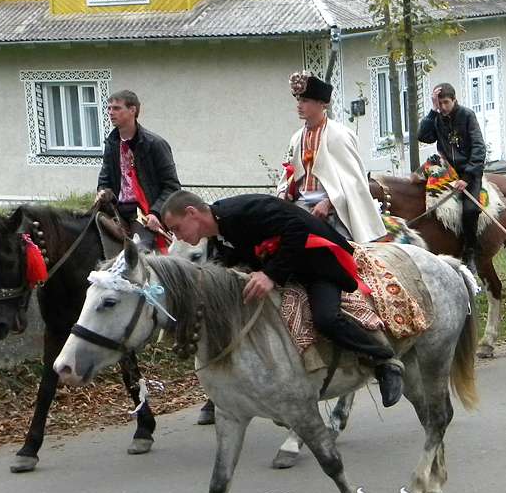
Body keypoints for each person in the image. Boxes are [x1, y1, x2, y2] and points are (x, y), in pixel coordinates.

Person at [161, 190, 404, 407]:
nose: (178, 237)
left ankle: (384, 360)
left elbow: (298, 229)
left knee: (326, 319)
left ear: (192, 213)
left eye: (176, 229)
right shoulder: (218, 233)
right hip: (291, 273)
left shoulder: (246, 211)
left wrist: (270, 275)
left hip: (317, 267)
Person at [283, 72, 386, 243]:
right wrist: (284, 193)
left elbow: (354, 181)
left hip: (335, 210)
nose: (299, 106)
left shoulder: (340, 136)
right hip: (301, 205)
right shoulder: (296, 138)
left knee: (344, 251)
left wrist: (329, 202)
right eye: (298, 100)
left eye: (305, 101)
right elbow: (288, 176)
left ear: (322, 104)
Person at [417, 82, 488, 269]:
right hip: (447, 170)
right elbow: (423, 136)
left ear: (454, 100)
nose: (443, 107)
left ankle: (471, 251)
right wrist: (432, 111)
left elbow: (479, 148)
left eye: (446, 103)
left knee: (471, 209)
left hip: (469, 172)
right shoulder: (437, 117)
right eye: (439, 104)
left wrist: (466, 178)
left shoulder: (467, 116)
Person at [95, 89, 181, 240]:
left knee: (139, 253)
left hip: (143, 213)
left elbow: (172, 186)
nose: (110, 112)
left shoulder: (155, 144)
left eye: (116, 108)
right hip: (114, 211)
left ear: (132, 110)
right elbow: (104, 180)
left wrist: (155, 213)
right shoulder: (111, 144)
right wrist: (103, 192)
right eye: (108, 108)